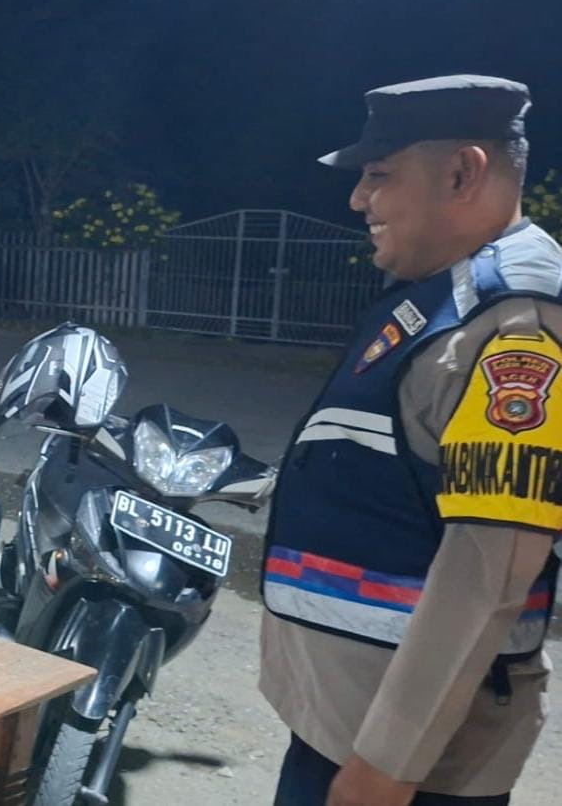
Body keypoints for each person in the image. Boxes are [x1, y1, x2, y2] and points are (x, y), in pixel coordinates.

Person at [260, 75, 562, 805]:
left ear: (462, 173)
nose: (357, 200)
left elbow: (485, 575)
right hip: (348, 728)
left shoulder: (516, 325)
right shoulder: (444, 294)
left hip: (406, 767)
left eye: (378, 175)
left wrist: (384, 766)